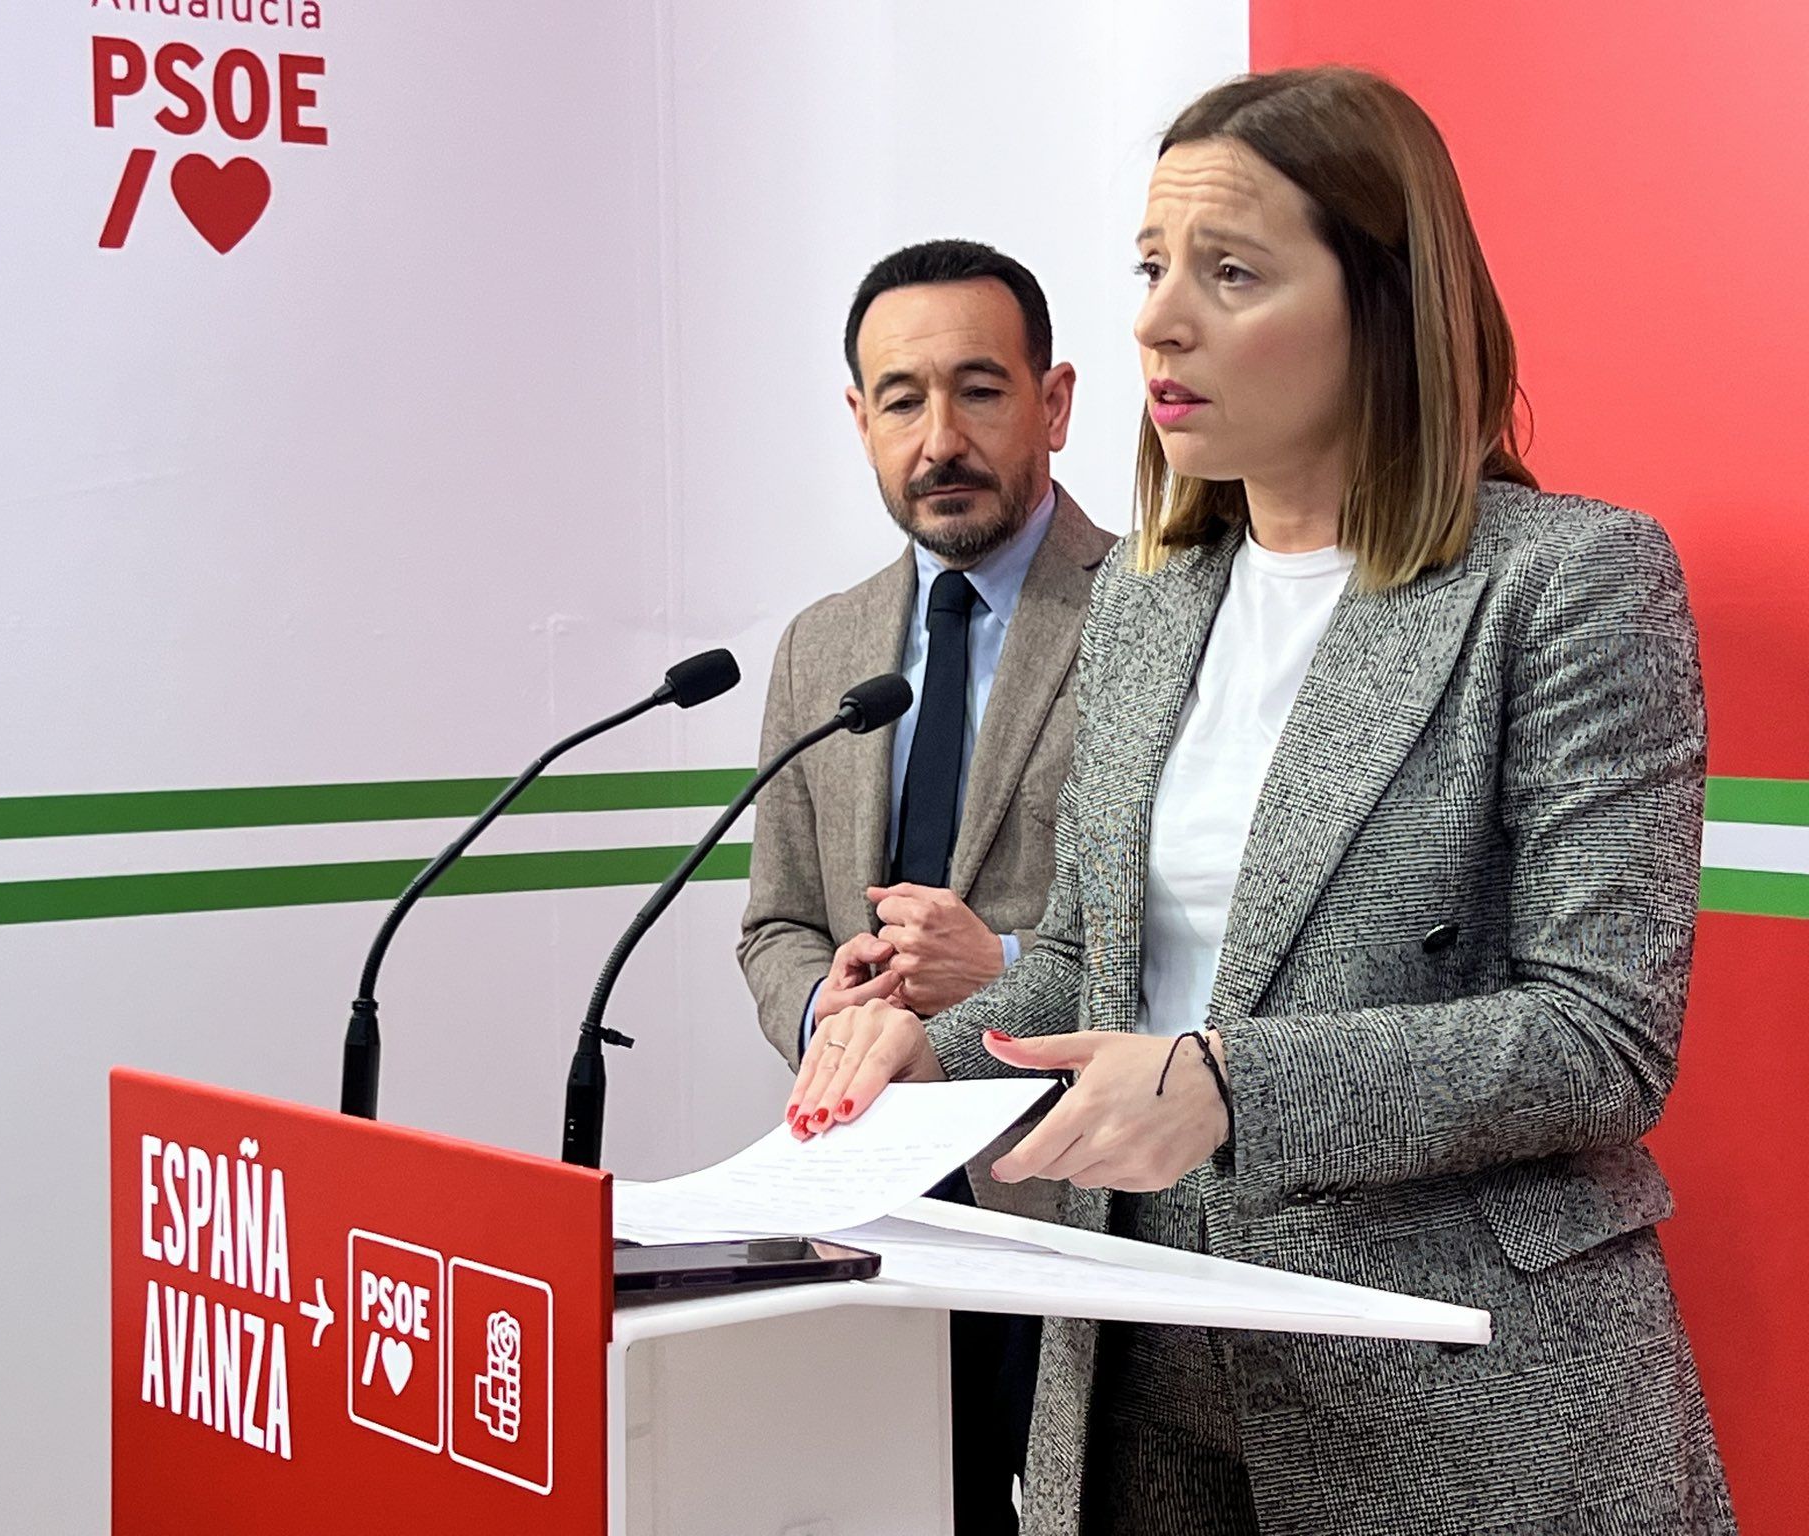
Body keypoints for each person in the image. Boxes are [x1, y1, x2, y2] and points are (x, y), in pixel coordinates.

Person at [789, 67, 1736, 1536]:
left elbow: (1601, 1039)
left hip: (1449, 1390)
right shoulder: (1149, 607)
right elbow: (1100, 976)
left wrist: (1234, 1087)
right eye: (1153, 269)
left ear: (1384, 302)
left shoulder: (1567, 582)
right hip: (1139, 1366)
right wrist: (926, 1057)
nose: (1162, 319)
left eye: (1230, 273)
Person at [739, 238, 1115, 1535]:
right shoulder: (824, 645)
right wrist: (824, 1020)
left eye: (980, 390)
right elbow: (778, 921)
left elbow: (1206, 935)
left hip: (1081, 1193)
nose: (939, 436)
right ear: (860, 419)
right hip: (867, 1189)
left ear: (1053, 402)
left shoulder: (1153, 612)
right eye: (902, 399)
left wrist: (999, 972)